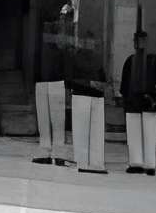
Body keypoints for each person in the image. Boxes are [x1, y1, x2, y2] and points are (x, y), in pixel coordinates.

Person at [119, 30, 156, 176]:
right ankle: (137, 162)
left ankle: (147, 163)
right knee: (136, 132)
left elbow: (124, 86)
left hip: (144, 101)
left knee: (148, 133)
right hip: (136, 101)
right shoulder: (136, 60)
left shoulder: (152, 61)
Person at [65, 40, 109, 174]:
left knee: (91, 131)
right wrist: (91, 84)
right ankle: (85, 162)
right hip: (84, 95)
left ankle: (92, 162)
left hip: (92, 96)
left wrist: (100, 85)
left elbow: (102, 78)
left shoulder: (95, 61)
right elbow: (70, 79)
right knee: (83, 130)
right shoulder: (77, 60)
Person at [33, 37, 71, 167]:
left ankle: (56, 152)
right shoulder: (40, 49)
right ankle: (47, 152)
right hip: (44, 81)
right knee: (45, 118)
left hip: (54, 82)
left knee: (56, 119)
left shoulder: (59, 51)